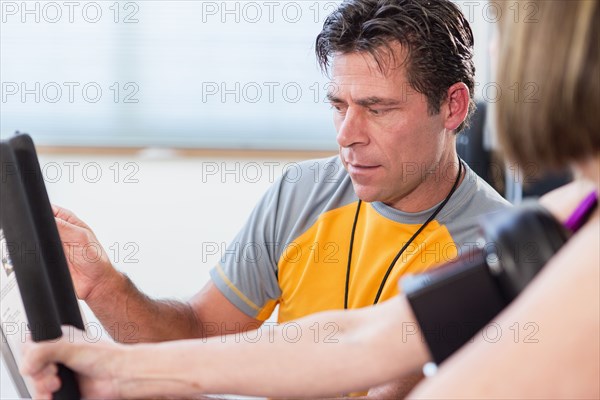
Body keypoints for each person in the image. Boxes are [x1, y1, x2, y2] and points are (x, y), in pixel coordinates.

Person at [21, 0, 599, 398]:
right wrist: (116, 343)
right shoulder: (554, 223)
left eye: (378, 108)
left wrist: (126, 376)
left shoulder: (519, 241)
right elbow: (356, 337)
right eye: (338, 106)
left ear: (452, 108)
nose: (347, 134)